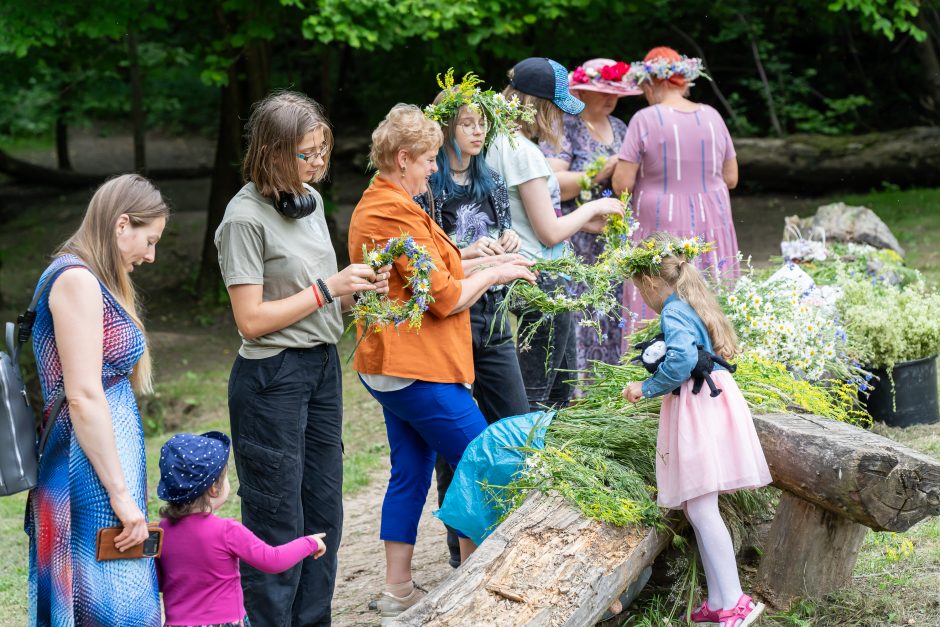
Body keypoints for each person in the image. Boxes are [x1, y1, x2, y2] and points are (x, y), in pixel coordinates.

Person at [347, 103, 536, 622]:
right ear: (403, 157)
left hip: (398, 368)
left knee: (410, 471)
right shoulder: (388, 211)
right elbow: (447, 299)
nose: (435, 167)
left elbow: (437, 266)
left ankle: (397, 590)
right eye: (429, 159)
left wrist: (486, 257)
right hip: (415, 370)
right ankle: (473, 589)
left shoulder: (396, 200)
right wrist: (499, 276)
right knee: (488, 463)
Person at [214, 91, 389, 626]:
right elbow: (252, 319)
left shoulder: (308, 203)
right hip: (272, 379)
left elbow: (323, 291)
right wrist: (326, 288)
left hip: (319, 368)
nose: (318, 163)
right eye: (306, 154)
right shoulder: (243, 219)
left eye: (321, 151)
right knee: (277, 521)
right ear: (272, 153)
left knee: (324, 512)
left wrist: (361, 287)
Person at [26, 174, 168, 625]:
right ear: (121, 224)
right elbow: (84, 396)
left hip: (98, 470)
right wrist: (122, 496)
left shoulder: (88, 279)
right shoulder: (75, 281)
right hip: (85, 474)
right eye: (149, 240)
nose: (151, 255)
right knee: (110, 605)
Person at [621, 233, 770, 627]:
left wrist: (645, 387)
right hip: (709, 401)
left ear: (651, 283)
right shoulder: (687, 304)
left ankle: (736, 602)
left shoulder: (672, 311)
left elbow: (683, 359)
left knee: (702, 506)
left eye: (640, 290)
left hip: (698, 405)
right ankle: (721, 600)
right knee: (697, 505)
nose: (643, 299)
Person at [416, 74, 532, 568]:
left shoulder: (492, 181)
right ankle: (459, 546)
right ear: (445, 129)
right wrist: (469, 253)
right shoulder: (428, 187)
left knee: (517, 420)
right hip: (451, 319)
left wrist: (508, 244)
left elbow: (509, 234)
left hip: (494, 316)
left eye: (482, 122)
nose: (476, 131)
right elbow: (427, 261)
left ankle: (520, 526)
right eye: (466, 122)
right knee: (455, 440)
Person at [486, 57, 624, 410]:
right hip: (543, 280)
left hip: (524, 271)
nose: (563, 118)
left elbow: (524, 216)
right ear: (541, 107)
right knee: (545, 394)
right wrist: (593, 208)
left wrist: (583, 221)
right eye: (558, 109)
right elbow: (548, 233)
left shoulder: (495, 142)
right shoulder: (525, 153)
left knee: (555, 386)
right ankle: (532, 461)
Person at [612, 47, 740, 334]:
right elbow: (731, 177)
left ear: (652, 81)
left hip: (660, 219)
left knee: (659, 281)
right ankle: (719, 346)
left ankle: (653, 353)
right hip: (711, 218)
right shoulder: (712, 116)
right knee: (713, 278)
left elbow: (622, 184)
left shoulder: (645, 119)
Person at [156, 431, 327, 627]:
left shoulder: (162, 532)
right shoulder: (226, 530)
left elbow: (160, 582)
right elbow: (272, 560)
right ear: (214, 488)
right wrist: (310, 542)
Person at [540, 57, 640, 372]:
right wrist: (598, 174)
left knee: (612, 309)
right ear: (581, 93)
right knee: (581, 310)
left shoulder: (621, 128)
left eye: (616, 93)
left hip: (612, 240)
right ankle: (577, 386)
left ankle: (610, 380)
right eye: (603, 91)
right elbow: (551, 183)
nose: (612, 98)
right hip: (577, 238)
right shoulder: (564, 126)